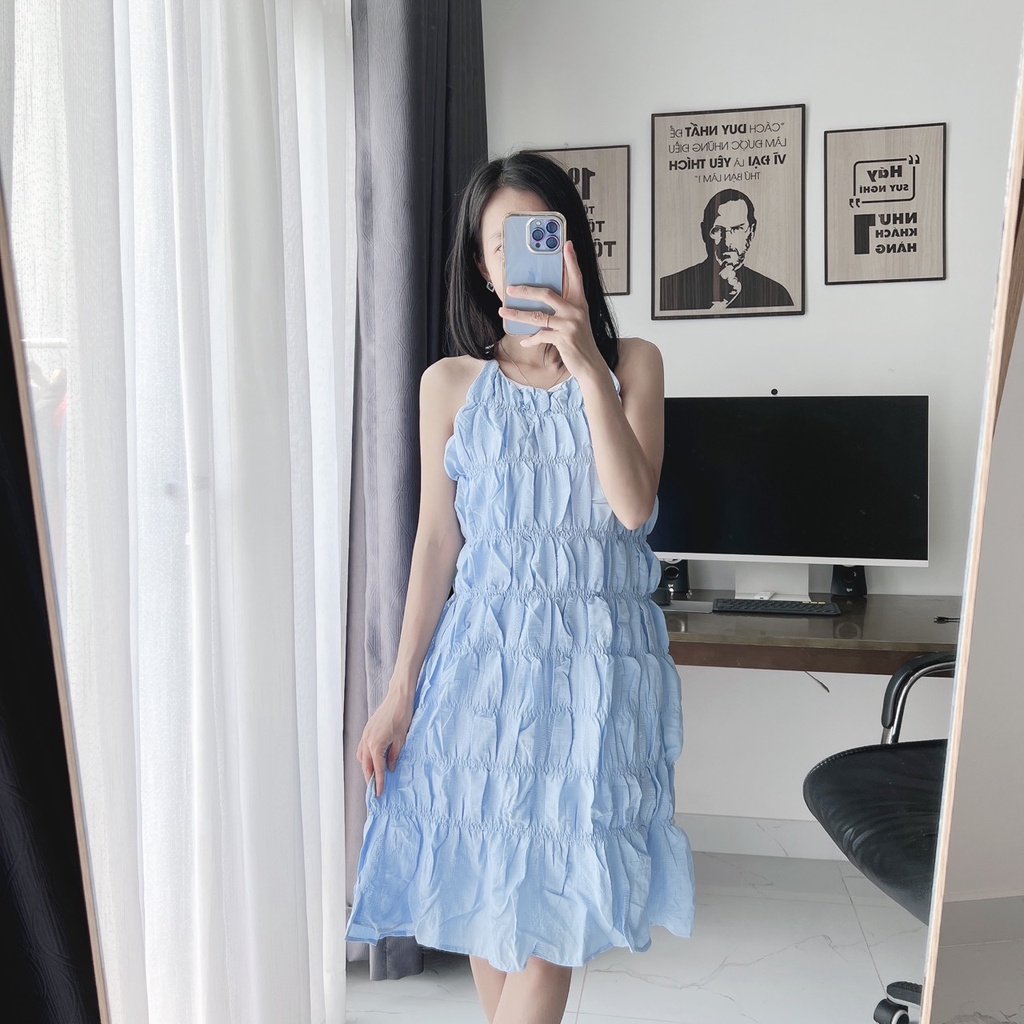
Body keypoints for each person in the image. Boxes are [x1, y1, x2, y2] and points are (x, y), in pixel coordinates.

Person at [345, 152, 695, 1024]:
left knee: (548, 926)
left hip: (591, 677)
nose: (520, 256)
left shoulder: (633, 365)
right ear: (481, 263)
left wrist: (585, 364)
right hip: (481, 674)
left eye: (539, 233)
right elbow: (437, 543)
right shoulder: (448, 384)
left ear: (570, 246)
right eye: (502, 241)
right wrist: (397, 693)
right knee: (490, 899)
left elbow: (633, 507)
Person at [659, 188, 793, 311]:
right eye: (717, 230)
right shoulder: (668, 289)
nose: (727, 242)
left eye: (737, 229)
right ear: (704, 232)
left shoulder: (777, 294)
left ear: (751, 232)